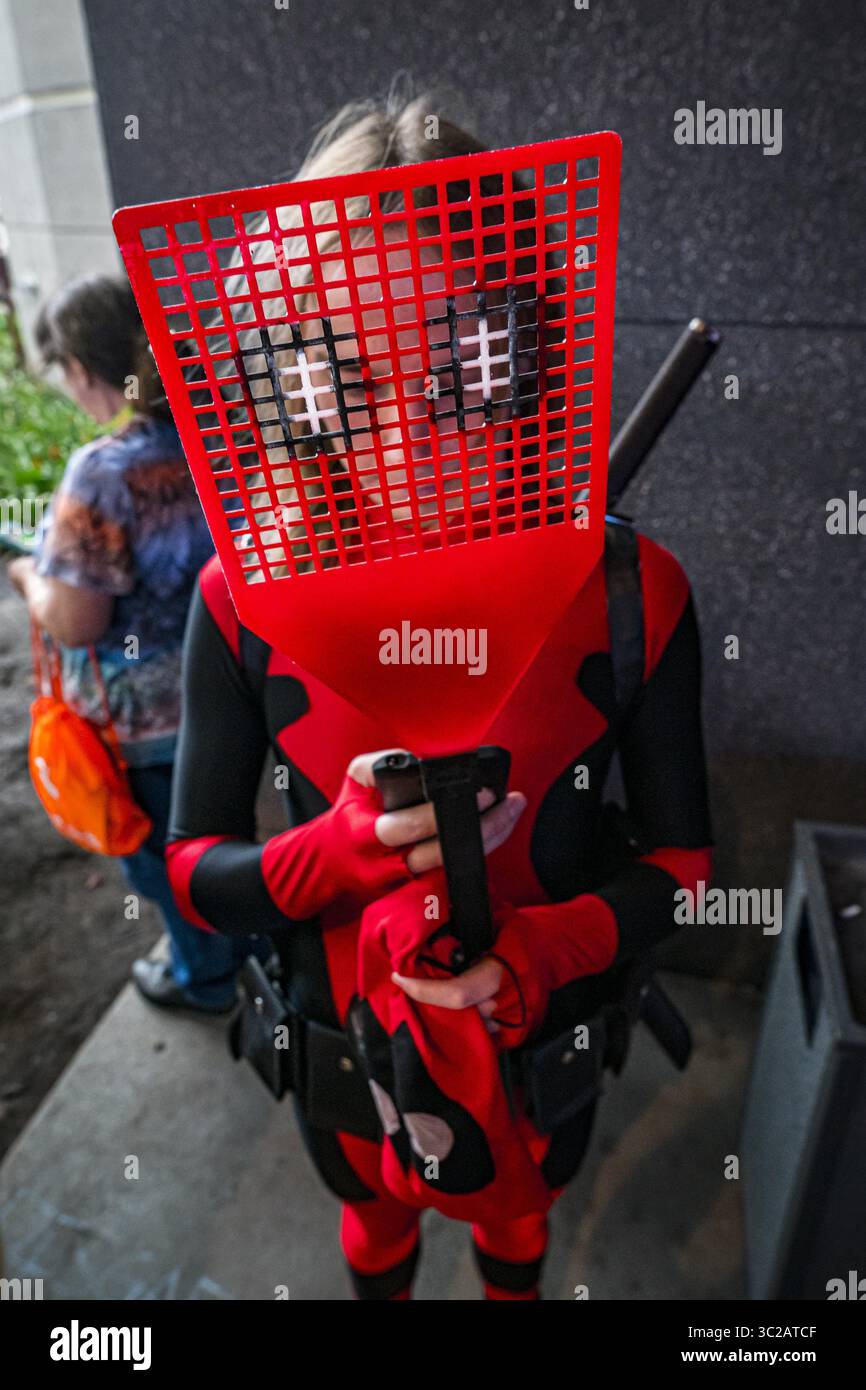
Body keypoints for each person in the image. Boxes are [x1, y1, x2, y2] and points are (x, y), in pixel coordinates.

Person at [164, 94, 713, 1297]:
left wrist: (543, 947)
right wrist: (332, 854)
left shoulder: (632, 593)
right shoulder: (246, 597)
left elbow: (684, 865)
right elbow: (192, 868)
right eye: (344, 377)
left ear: (521, 348)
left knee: (520, 1225)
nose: (406, 444)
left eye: (456, 366)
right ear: (289, 382)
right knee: (371, 1227)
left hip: (544, 1051)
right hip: (337, 1061)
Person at [8, 274, 267, 1013]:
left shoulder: (101, 472)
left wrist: (29, 573)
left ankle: (210, 980)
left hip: (149, 724)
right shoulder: (223, 436)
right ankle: (262, 952)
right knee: (236, 836)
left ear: (85, 371)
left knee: (169, 860)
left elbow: (77, 621)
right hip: (239, 692)